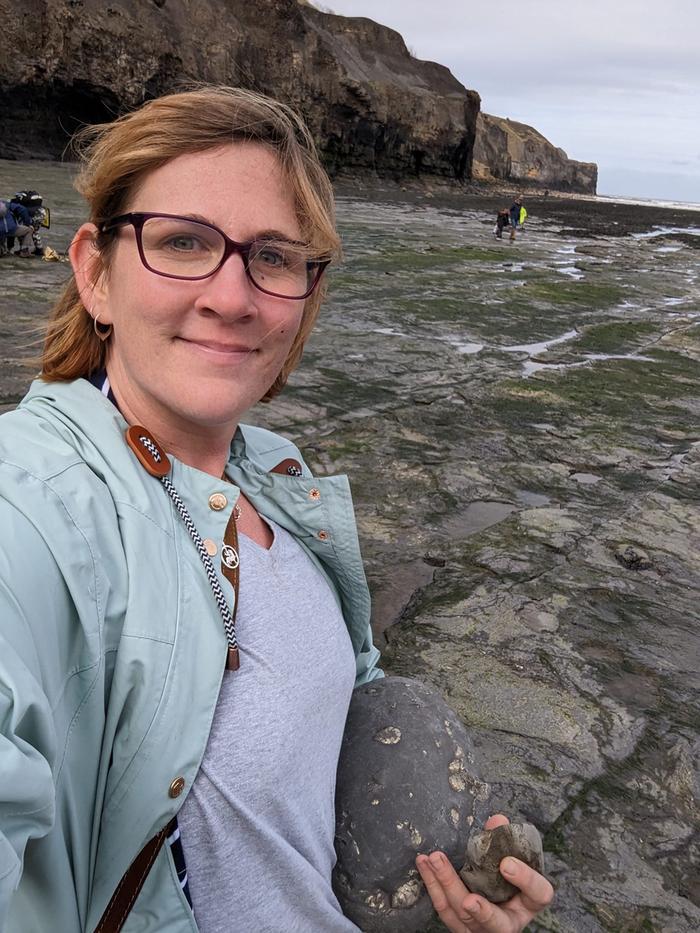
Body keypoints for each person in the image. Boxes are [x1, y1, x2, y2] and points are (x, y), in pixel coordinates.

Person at [0, 86, 553, 933]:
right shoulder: (32, 509)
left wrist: (438, 889)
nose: (233, 295)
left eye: (272, 257)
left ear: (304, 301)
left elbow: (338, 724)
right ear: (95, 272)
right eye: (182, 242)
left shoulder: (278, 479)